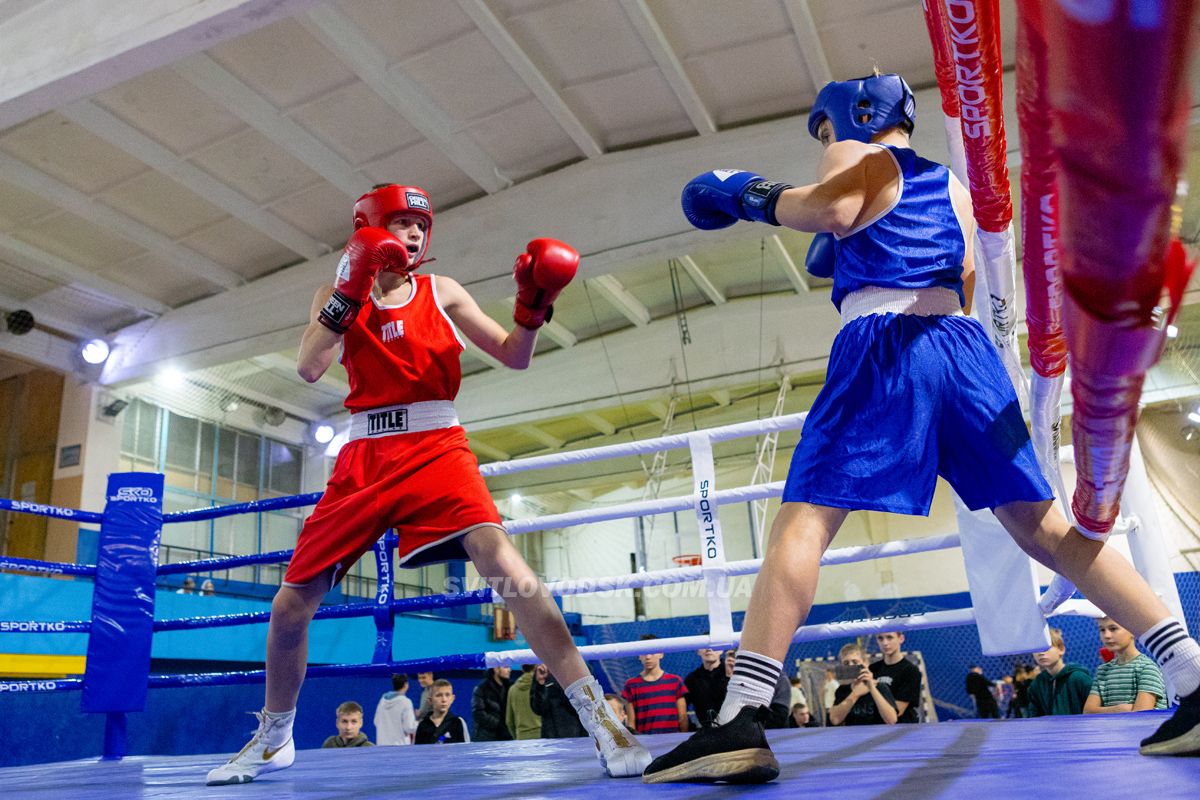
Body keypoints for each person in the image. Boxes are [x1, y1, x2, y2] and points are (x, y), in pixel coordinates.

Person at [643, 72, 1200, 783]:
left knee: (802, 524)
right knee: (1045, 529)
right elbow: (961, 277)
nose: (826, 141)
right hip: (965, 353)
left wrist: (747, 195)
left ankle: (740, 715)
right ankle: (1191, 673)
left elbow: (834, 208)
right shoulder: (957, 193)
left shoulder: (857, 153)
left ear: (856, 114)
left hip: (886, 345)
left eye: (825, 128)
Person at [205, 184, 649, 785]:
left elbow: (513, 355)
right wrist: (348, 290)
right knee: (289, 607)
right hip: (365, 452)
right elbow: (310, 366)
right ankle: (275, 735)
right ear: (368, 226)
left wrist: (533, 305)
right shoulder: (338, 293)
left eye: (421, 224)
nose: (415, 234)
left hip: (437, 445)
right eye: (401, 222)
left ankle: (601, 720)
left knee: (510, 573)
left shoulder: (442, 292)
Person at [1084, 617, 1168, 714]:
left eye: (1113, 628)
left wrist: (1103, 711)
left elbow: (1142, 714)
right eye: (1102, 630)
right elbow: (1088, 711)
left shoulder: (1147, 668)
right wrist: (1119, 709)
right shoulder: (1103, 671)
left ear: (1132, 630)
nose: (1106, 635)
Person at [622, 635, 688, 734]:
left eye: (652, 652)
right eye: (644, 652)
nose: (648, 657)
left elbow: (683, 717)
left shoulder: (675, 681)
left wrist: (683, 740)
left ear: (661, 653)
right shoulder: (631, 685)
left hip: (673, 741)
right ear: (639, 655)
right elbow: (631, 724)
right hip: (646, 743)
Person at [827, 643, 898, 727]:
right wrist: (855, 694)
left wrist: (871, 688)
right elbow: (835, 720)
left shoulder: (880, 687)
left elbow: (892, 720)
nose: (851, 666)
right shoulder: (842, 690)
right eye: (846, 663)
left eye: (855, 662)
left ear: (866, 663)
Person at [1028, 628, 1092, 716]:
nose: (1040, 653)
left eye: (1046, 648)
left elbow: (1094, 712)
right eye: (1036, 649)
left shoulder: (1079, 678)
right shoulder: (1037, 684)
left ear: (1061, 649)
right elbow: (1033, 716)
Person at [871, 632, 921, 723]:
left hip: (902, 729)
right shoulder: (872, 669)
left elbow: (897, 712)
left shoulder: (910, 671)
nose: (885, 643)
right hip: (876, 728)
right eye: (880, 638)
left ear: (901, 639)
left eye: (889, 637)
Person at [530, 663, 587, 739]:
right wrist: (540, 683)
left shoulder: (573, 669)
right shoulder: (541, 673)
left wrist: (554, 683)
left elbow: (578, 705)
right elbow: (538, 709)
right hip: (550, 736)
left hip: (575, 734)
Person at [684, 646, 728, 729]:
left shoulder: (733, 672)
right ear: (698, 651)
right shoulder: (692, 679)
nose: (709, 649)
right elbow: (683, 708)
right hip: (706, 732)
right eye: (704, 646)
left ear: (721, 650)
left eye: (713, 646)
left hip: (732, 728)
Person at [415, 679, 469, 745]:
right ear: (430, 700)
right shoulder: (423, 725)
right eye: (439, 695)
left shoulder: (458, 723)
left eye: (447, 695)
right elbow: (417, 752)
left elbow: (466, 750)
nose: (444, 699)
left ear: (452, 699)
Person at [471, 666, 513, 742]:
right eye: (506, 667)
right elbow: (478, 714)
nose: (510, 670)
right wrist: (500, 725)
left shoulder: (511, 687)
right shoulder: (481, 689)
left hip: (507, 738)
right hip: (486, 739)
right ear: (496, 669)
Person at [374, 673, 417, 746]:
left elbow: (376, 721)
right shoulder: (406, 702)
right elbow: (409, 727)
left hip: (382, 747)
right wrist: (420, 723)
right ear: (406, 685)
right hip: (400, 749)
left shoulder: (382, 701)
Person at [505, 664, 542, 740]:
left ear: (522, 668)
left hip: (521, 737)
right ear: (536, 666)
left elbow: (509, 721)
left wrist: (517, 738)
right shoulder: (540, 686)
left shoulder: (512, 689)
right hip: (541, 736)